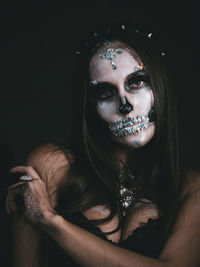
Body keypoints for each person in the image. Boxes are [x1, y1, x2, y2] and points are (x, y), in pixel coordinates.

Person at [6, 22, 200, 267]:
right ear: (90, 107)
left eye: (137, 82)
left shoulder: (191, 189)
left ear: (160, 86)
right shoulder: (52, 166)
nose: (125, 105)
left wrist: (51, 221)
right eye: (105, 93)